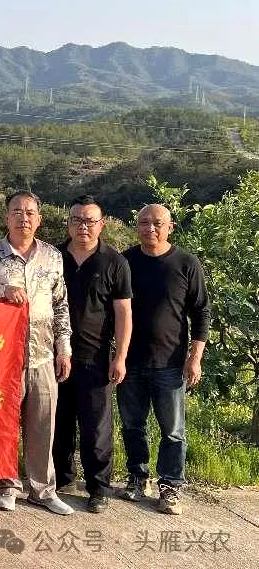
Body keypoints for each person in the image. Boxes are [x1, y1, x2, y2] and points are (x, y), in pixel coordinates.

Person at [0, 190, 74, 516]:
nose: (23, 218)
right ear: (6, 217)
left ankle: (42, 490)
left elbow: (61, 306)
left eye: (29, 213)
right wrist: (2, 291)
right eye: (16, 212)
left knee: (43, 426)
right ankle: (7, 486)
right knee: (5, 426)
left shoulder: (53, 257)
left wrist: (64, 349)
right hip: (3, 360)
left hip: (42, 355)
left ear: (38, 219)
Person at [118, 204, 210, 515]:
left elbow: (201, 313)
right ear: (137, 226)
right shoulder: (125, 262)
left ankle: (170, 485)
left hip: (170, 363)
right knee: (132, 425)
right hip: (130, 361)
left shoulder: (186, 263)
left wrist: (195, 358)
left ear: (170, 227)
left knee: (172, 431)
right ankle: (137, 477)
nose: (150, 228)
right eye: (144, 222)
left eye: (158, 223)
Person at [53, 195, 132, 514]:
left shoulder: (114, 261)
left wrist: (120, 356)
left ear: (102, 224)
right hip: (54, 354)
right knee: (58, 421)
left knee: (96, 426)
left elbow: (124, 312)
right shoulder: (53, 256)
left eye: (89, 221)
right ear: (68, 223)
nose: (82, 226)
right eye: (76, 220)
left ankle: (98, 487)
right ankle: (61, 479)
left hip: (95, 357)